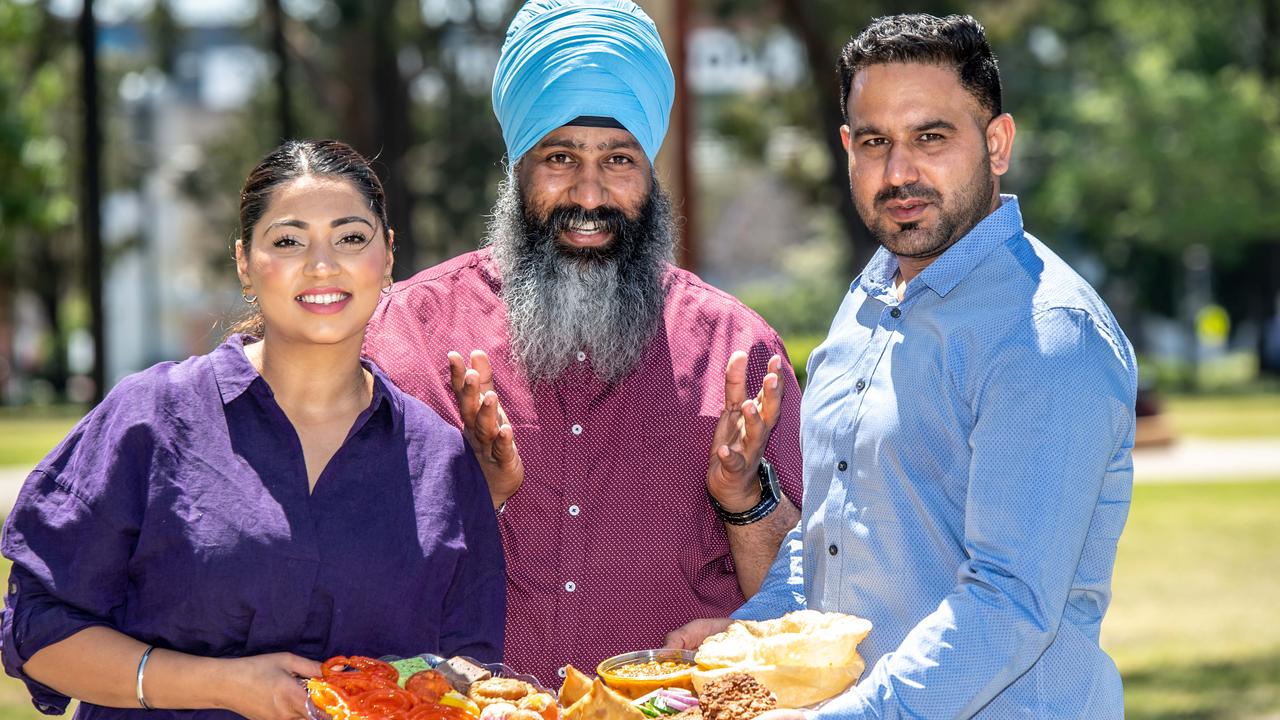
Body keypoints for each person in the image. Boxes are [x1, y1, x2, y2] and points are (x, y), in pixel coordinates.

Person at [667, 14, 1137, 719]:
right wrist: (751, 635)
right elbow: (835, 544)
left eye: (931, 137)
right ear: (847, 149)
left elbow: (1007, 605)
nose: (899, 172)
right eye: (876, 142)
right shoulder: (866, 304)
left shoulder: (1045, 334)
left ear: (997, 143)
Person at [362, 0, 803, 686]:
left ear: (651, 170)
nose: (590, 194)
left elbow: (801, 613)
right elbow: (350, 572)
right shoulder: (411, 337)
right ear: (516, 166)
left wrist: (744, 496)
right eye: (560, 157)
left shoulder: (739, 352)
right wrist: (467, 498)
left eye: (619, 160)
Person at [1, 140, 506, 720]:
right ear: (244, 261)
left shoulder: (442, 459)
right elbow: (38, 630)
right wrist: (221, 685)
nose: (323, 264)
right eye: (289, 241)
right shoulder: (150, 417)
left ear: (387, 255)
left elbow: (468, 674)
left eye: (351, 237)